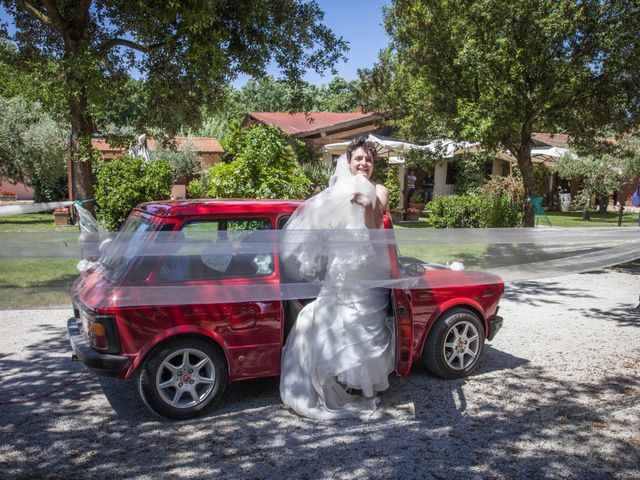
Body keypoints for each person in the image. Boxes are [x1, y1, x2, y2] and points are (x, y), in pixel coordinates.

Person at [279, 136, 393, 419]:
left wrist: (367, 203)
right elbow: (320, 224)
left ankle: (363, 388)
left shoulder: (381, 189)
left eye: (368, 159)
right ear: (349, 162)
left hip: (369, 271)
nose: (364, 163)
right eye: (359, 159)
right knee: (330, 322)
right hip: (341, 269)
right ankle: (337, 380)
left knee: (364, 325)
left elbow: (376, 226)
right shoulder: (337, 190)